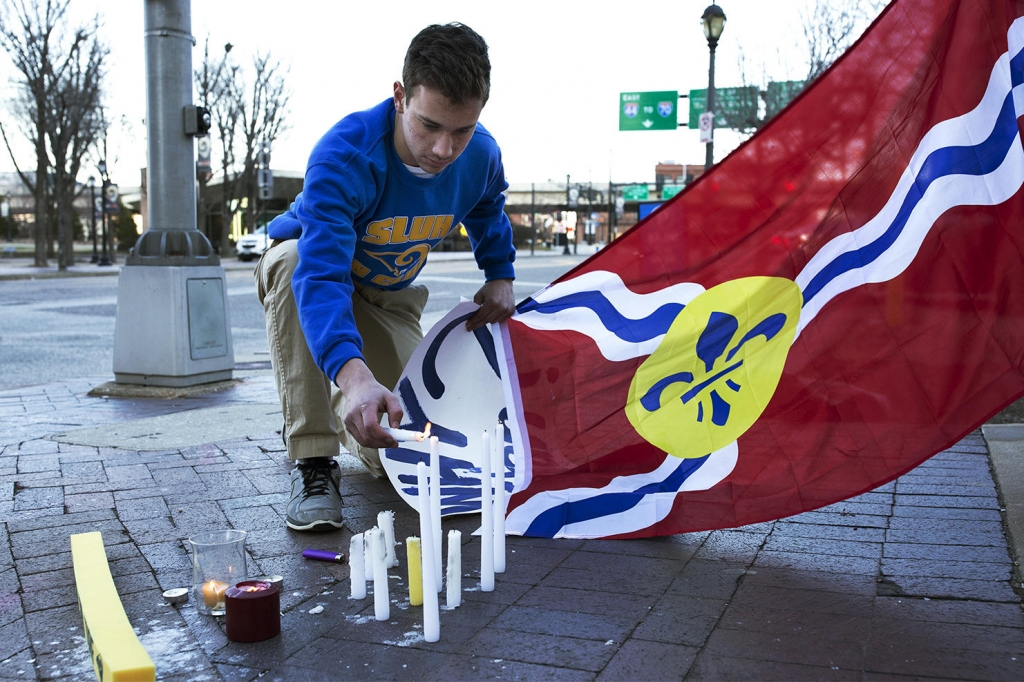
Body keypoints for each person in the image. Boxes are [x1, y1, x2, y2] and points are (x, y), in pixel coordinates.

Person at [255, 22, 516, 531]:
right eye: (429, 125)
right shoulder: (345, 154)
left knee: (411, 449)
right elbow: (322, 277)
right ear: (400, 97)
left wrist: (500, 274)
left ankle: (354, 409)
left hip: (388, 296)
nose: (443, 149)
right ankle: (313, 459)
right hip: (315, 276)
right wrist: (354, 378)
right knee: (289, 262)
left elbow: (489, 207)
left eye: (461, 130)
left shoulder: (481, 154)